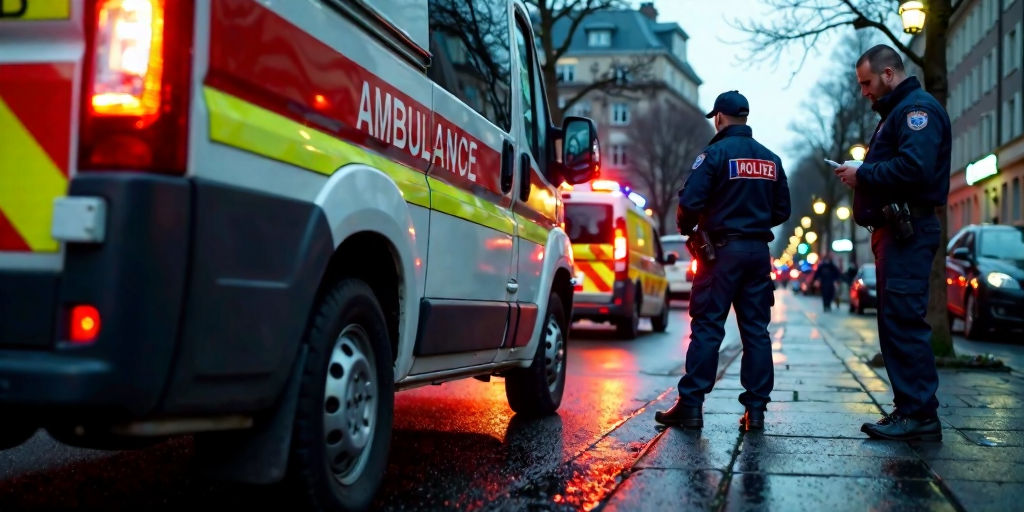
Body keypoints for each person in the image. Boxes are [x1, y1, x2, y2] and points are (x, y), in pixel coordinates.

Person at [833, 45, 951, 442]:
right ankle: (910, 409)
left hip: (908, 230)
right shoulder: (897, 113)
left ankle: (919, 414)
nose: (864, 91)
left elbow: (915, 168)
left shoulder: (917, 111)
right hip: (897, 231)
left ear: (888, 73)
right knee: (895, 322)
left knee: (903, 321)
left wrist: (864, 173)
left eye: (867, 83)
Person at [655, 90, 791, 431]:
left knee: (708, 327)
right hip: (758, 253)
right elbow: (782, 210)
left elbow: (690, 202)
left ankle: (691, 406)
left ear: (718, 117)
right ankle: (756, 411)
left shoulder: (714, 155)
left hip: (720, 253)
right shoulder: (771, 159)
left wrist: (690, 228)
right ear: (745, 118)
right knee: (756, 331)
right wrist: (753, 222)